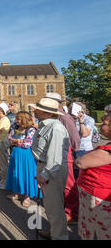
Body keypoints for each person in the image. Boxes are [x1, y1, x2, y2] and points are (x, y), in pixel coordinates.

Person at [30, 98, 70, 240]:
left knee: (55, 206)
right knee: (49, 204)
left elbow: (55, 156)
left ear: (46, 112)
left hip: (51, 169)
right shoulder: (45, 125)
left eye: (37, 109)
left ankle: (60, 236)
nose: (34, 110)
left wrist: (45, 175)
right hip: (44, 165)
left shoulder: (56, 128)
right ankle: (55, 232)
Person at [45, 93, 81, 224]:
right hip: (52, 153)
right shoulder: (52, 117)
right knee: (58, 184)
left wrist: (74, 154)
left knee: (68, 184)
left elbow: (75, 139)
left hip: (64, 153)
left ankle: (73, 213)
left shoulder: (64, 118)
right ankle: (63, 209)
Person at [75, 111, 111, 240]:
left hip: (98, 197)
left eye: (104, 123)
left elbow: (81, 162)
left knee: (101, 231)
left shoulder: (108, 151)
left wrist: (77, 160)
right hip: (94, 194)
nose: (100, 125)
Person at [5, 111, 39, 208]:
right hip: (15, 154)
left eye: (18, 118)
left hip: (26, 155)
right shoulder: (14, 127)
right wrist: (17, 141)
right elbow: (9, 139)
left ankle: (27, 196)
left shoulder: (31, 129)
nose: (16, 120)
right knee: (16, 173)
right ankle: (17, 192)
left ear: (24, 119)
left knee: (26, 174)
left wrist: (15, 141)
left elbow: (27, 144)